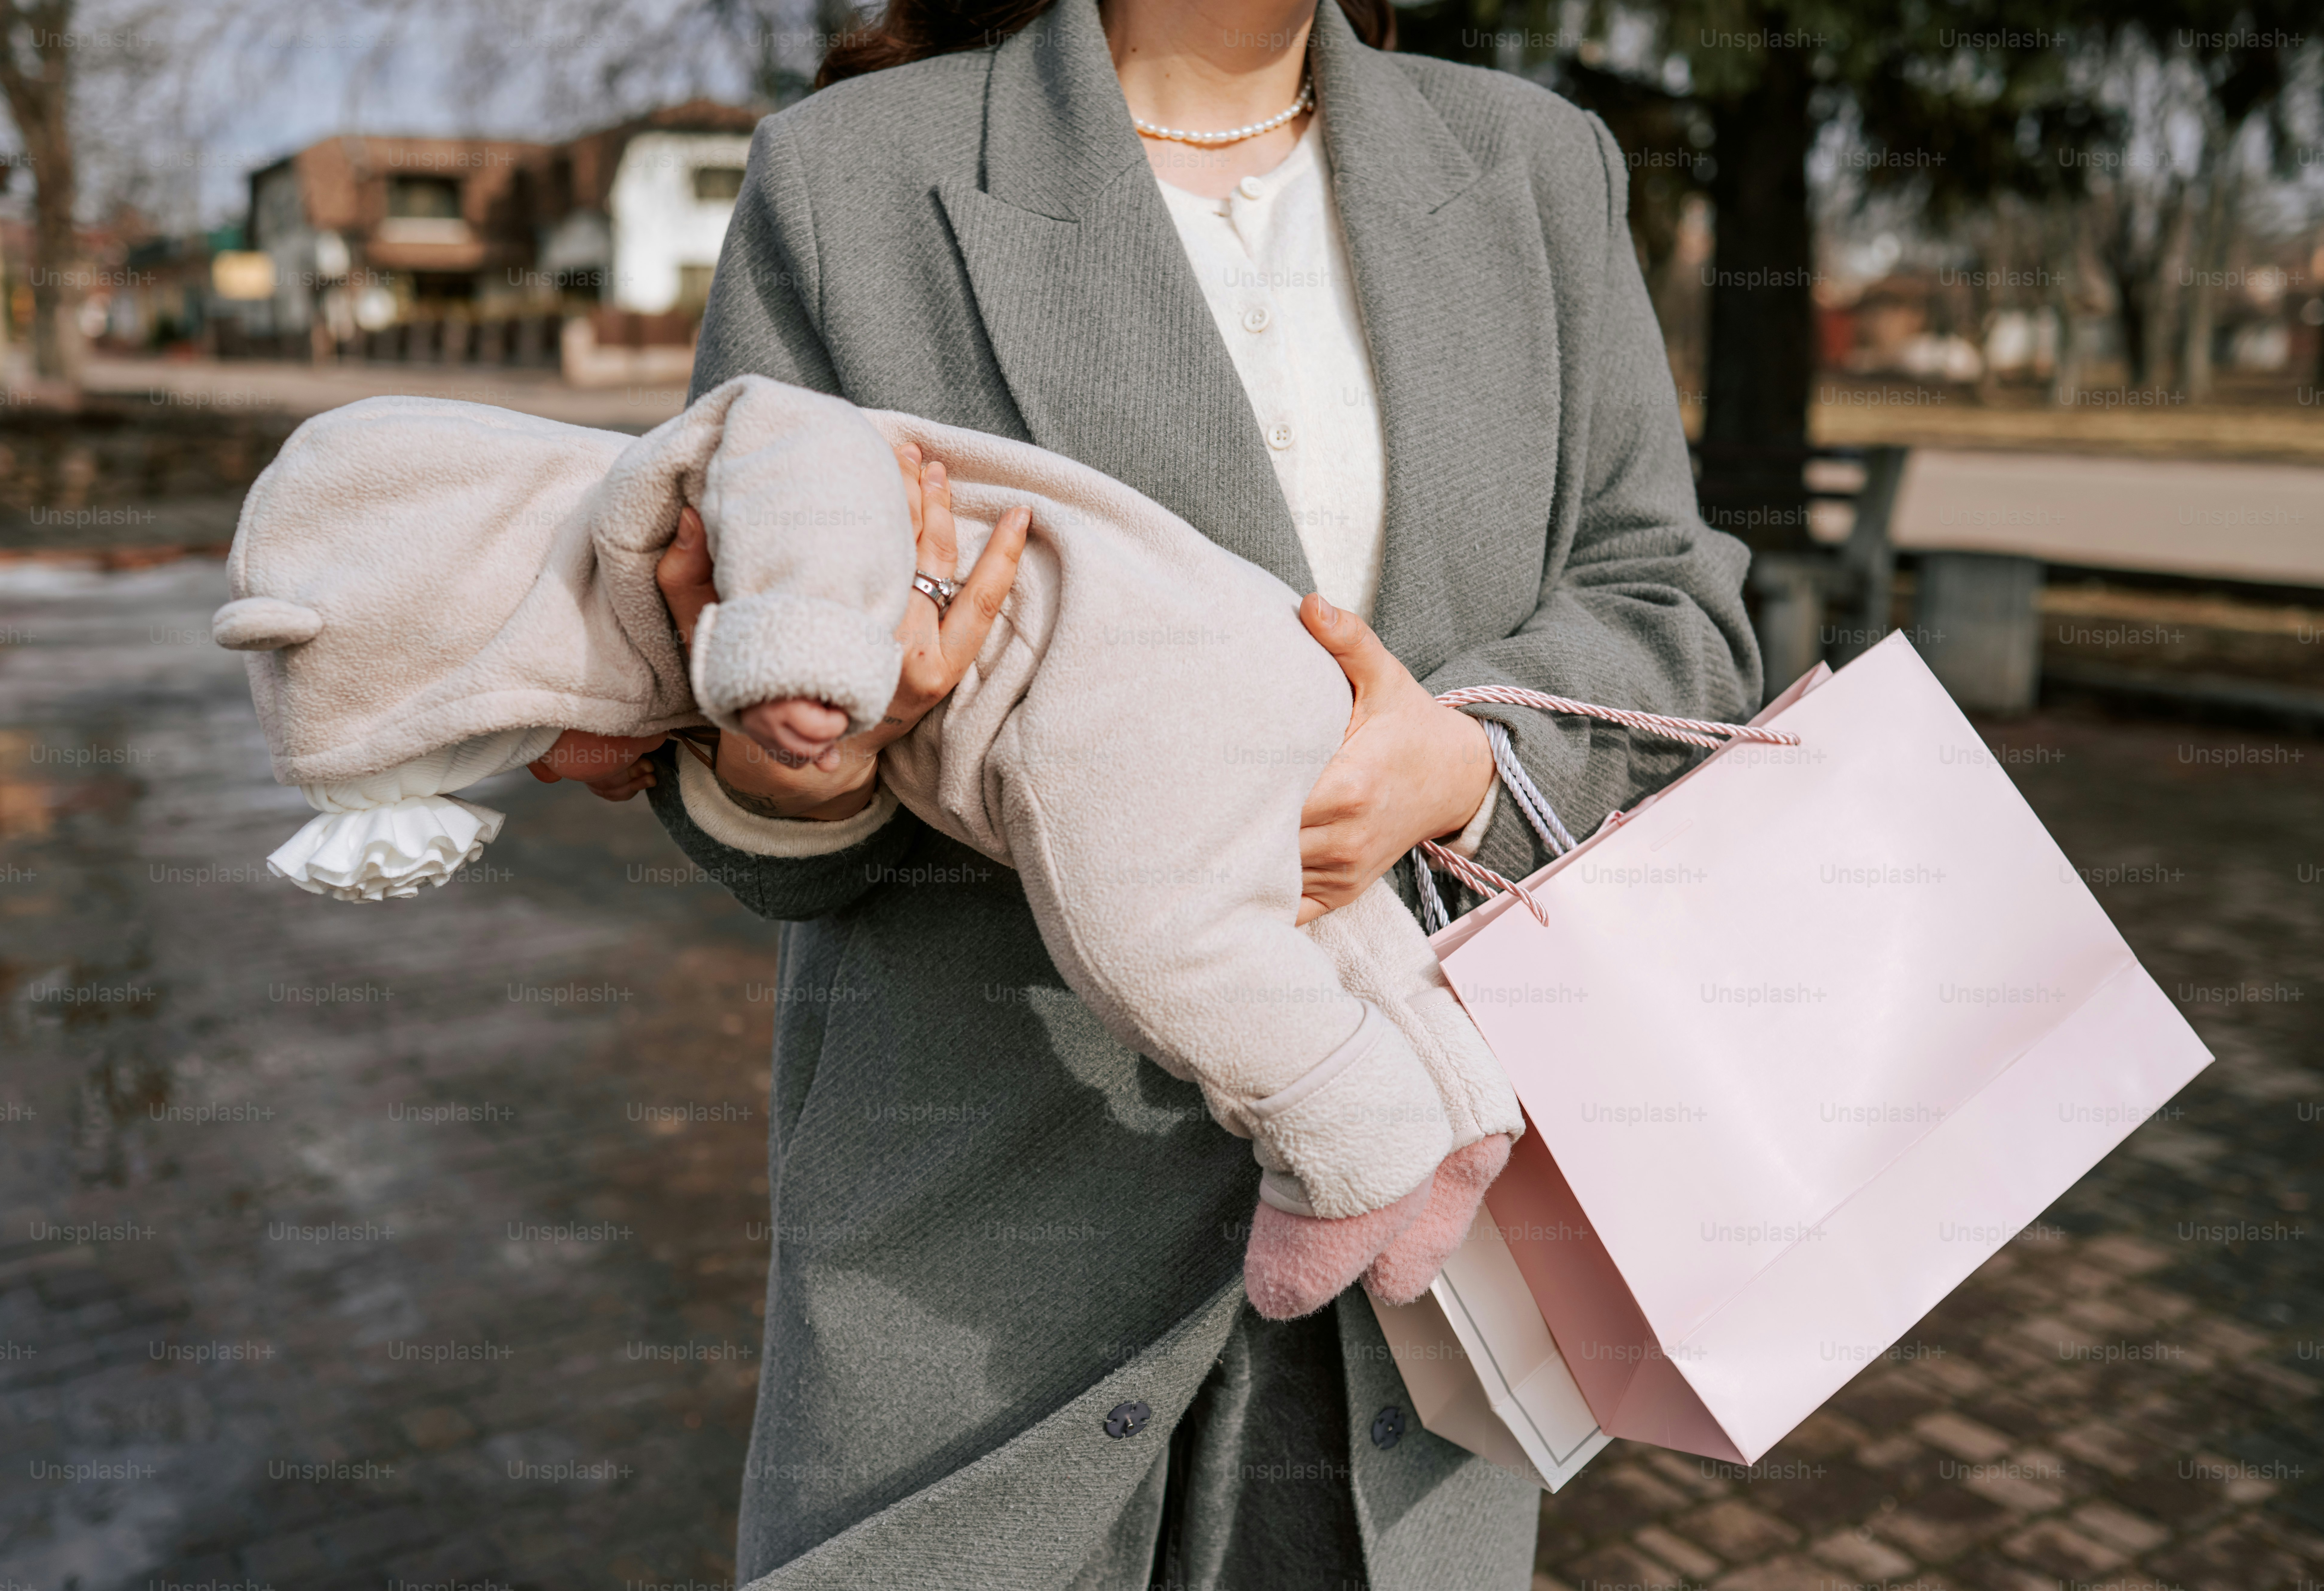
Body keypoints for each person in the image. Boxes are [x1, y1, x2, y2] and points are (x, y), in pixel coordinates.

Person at [554, 1, 1761, 1583]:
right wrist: (818, 742)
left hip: (1414, 1281)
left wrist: (1462, 760)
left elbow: (1674, 611)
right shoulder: (848, 179)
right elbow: (754, 767)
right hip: (986, 1270)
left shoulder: (1532, 166)